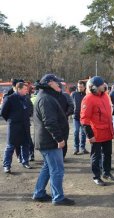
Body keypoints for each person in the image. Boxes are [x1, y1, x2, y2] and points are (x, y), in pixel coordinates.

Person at [32, 74, 74, 206]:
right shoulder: (45, 99)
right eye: (57, 83)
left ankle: (39, 193)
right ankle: (58, 197)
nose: (60, 85)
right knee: (57, 170)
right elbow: (49, 122)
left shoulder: (46, 97)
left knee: (47, 167)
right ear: (50, 83)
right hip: (50, 141)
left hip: (46, 140)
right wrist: (59, 139)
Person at [80, 76, 114, 186]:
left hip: (107, 130)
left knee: (107, 154)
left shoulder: (105, 96)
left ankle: (106, 172)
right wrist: (90, 135)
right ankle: (96, 176)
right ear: (94, 87)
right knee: (96, 156)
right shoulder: (88, 99)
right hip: (96, 132)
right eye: (101, 85)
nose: (104, 86)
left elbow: (109, 110)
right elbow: (84, 119)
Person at [1, 82, 32, 173]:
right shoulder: (10, 98)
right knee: (10, 146)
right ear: (19, 89)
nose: (27, 91)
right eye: (25, 89)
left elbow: (29, 108)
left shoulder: (26, 98)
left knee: (25, 144)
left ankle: (25, 162)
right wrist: (11, 120)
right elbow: (3, 112)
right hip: (14, 126)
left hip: (25, 125)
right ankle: (6, 165)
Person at [71, 80, 88, 155]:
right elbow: (70, 103)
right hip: (76, 117)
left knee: (83, 133)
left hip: (84, 117)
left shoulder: (87, 95)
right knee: (76, 132)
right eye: (78, 87)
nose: (79, 88)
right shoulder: (74, 94)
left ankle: (83, 147)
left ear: (84, 87)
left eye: (81, 87)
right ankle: (76, 148)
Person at [57, 84, 74, 159]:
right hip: (54, 121)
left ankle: (62, 155)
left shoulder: (66, 95)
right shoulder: (50, 96)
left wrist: (66, 114)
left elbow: (71, 106)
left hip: (64, 121)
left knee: (64, 138)